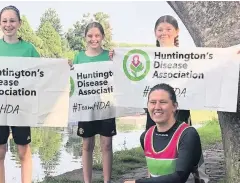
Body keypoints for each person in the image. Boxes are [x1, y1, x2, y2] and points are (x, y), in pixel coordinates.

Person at [0, 5, 40, 183]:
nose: (8, 24)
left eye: (12, 20)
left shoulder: (29, 50)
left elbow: (45, 73)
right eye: (4, 21)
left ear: (19, 23)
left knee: (23, 150)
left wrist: (63, 67)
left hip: (21, 108)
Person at [109, 15, 191, 130]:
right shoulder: (147, 58)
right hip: (155, 108)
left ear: (177, 32)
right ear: (155, 32)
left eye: (168, 29)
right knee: (154, 140)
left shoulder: (189, 56)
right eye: (160, 30)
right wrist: (117, 59)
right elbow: (134, 79)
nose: (164, 33)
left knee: (180, 140)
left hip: (179, 108)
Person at [124, 83, 205, 183]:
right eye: (153, 102)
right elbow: (153, 176)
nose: (157, 107)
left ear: (174, 106)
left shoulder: (188, 134)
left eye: (163, 102)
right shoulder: (145, 137)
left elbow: (180, 177)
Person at [69, 22, 115, 183]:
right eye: (90, 36)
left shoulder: (110, 56)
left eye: (97, 35)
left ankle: (106, 181)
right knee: (87, 145)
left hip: (106, 107)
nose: (93, 39)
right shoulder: (79, 57)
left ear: (102, 37)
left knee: (107, 145)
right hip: (86, 108)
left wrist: (116, 60)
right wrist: (68, 69)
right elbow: (73, 83)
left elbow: (119, 79)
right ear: (85, 37)